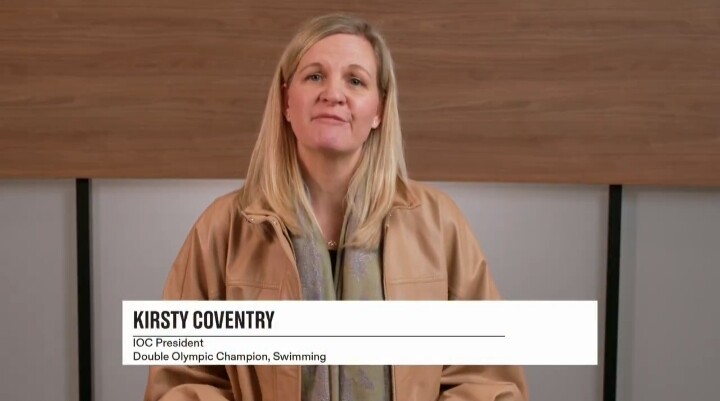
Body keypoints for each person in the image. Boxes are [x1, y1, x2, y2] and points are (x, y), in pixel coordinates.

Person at [144, 13, 528, 401]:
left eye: (355, 81)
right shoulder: (223, 228)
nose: (333, 93)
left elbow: (488, 379)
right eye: (314, 76)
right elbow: (181, 382)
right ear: (286, 101)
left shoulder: (438, 223)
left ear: (379, 109)